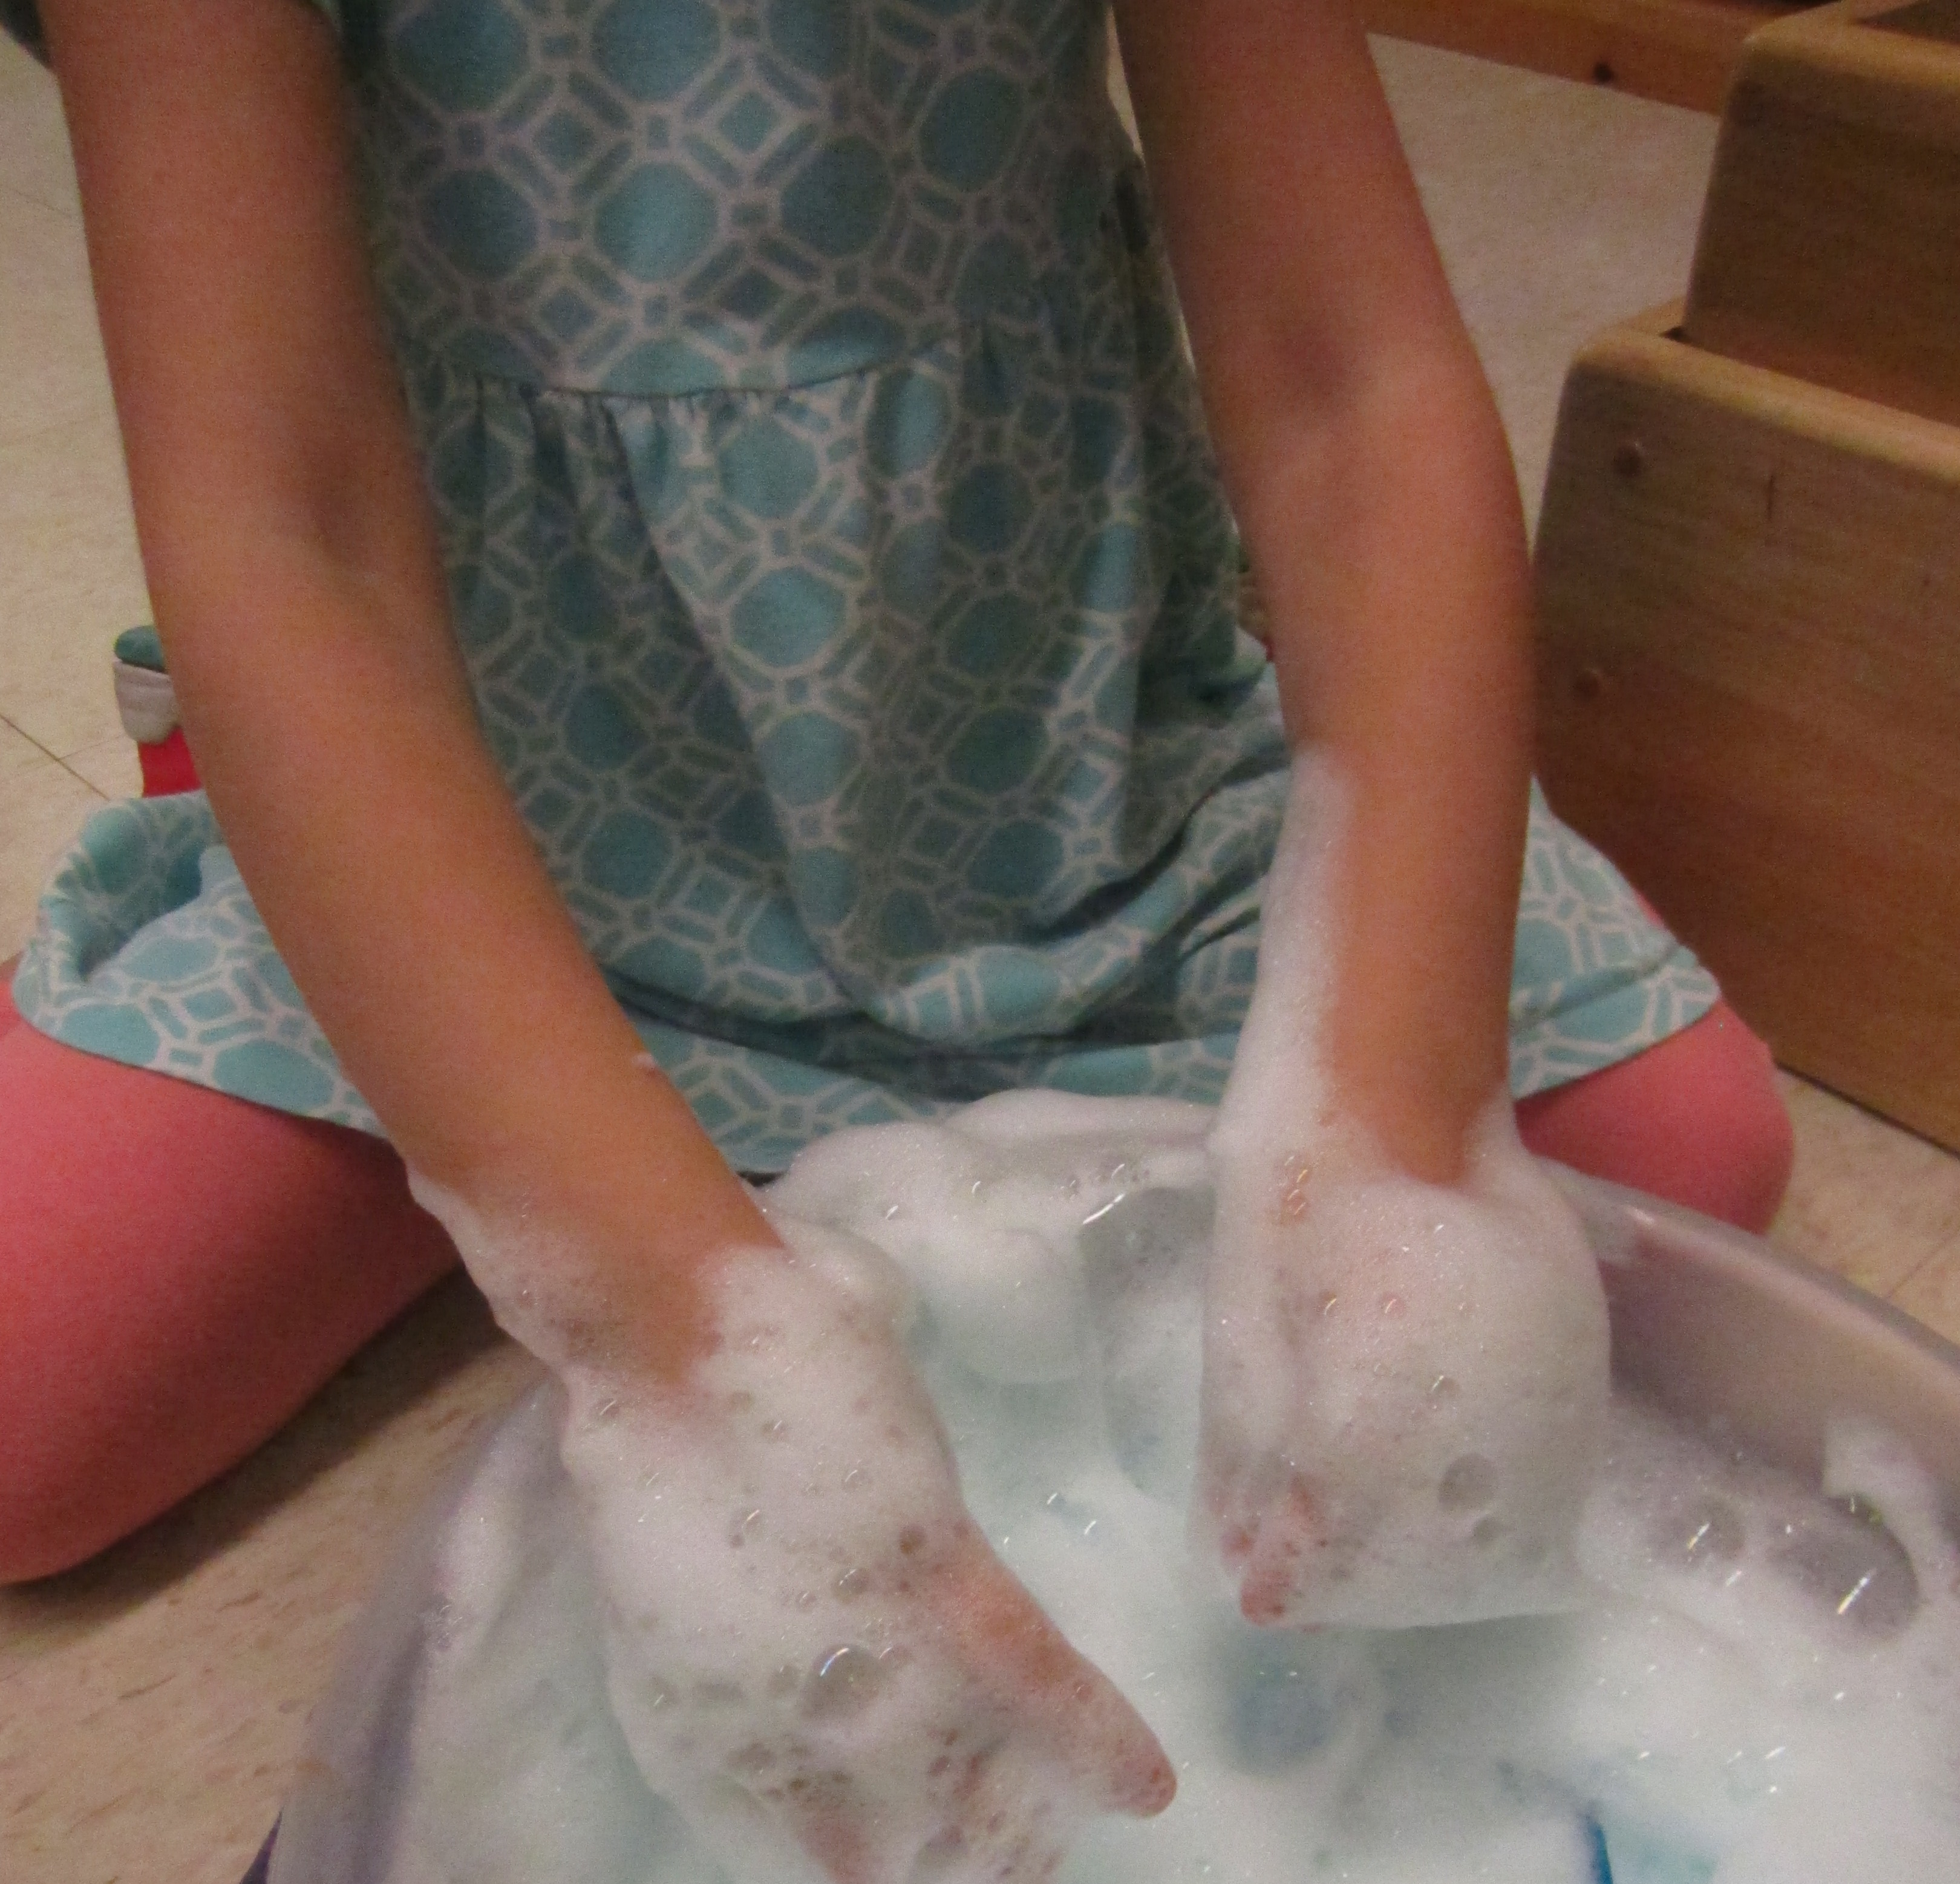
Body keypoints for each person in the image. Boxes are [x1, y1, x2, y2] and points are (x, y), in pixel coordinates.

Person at [1, 2, 1787, 1752]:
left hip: (1081, 803)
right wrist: (669, 1339)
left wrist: (1391, 1122)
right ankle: (541, 1142)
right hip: (502, 845)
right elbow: (284, 534)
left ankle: (746, 1176)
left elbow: (1352, 381)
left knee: (1689, 1155)